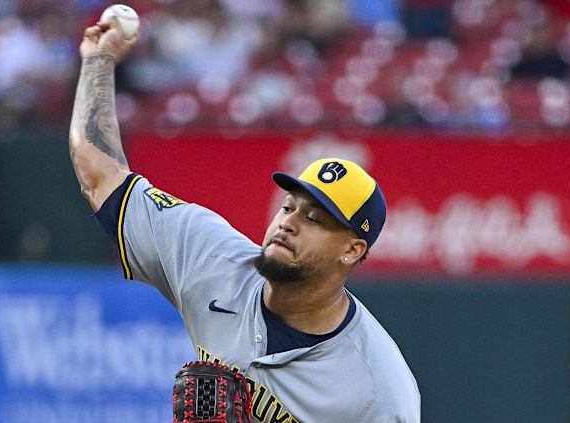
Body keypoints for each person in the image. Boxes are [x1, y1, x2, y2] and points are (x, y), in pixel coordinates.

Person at [68, 17, 420, 422]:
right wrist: (99, 60)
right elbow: (100, 176)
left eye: (315, 220)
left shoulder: (378, 387)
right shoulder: (209, 257)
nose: (288, 223)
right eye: (288, 207)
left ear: (352, 250)